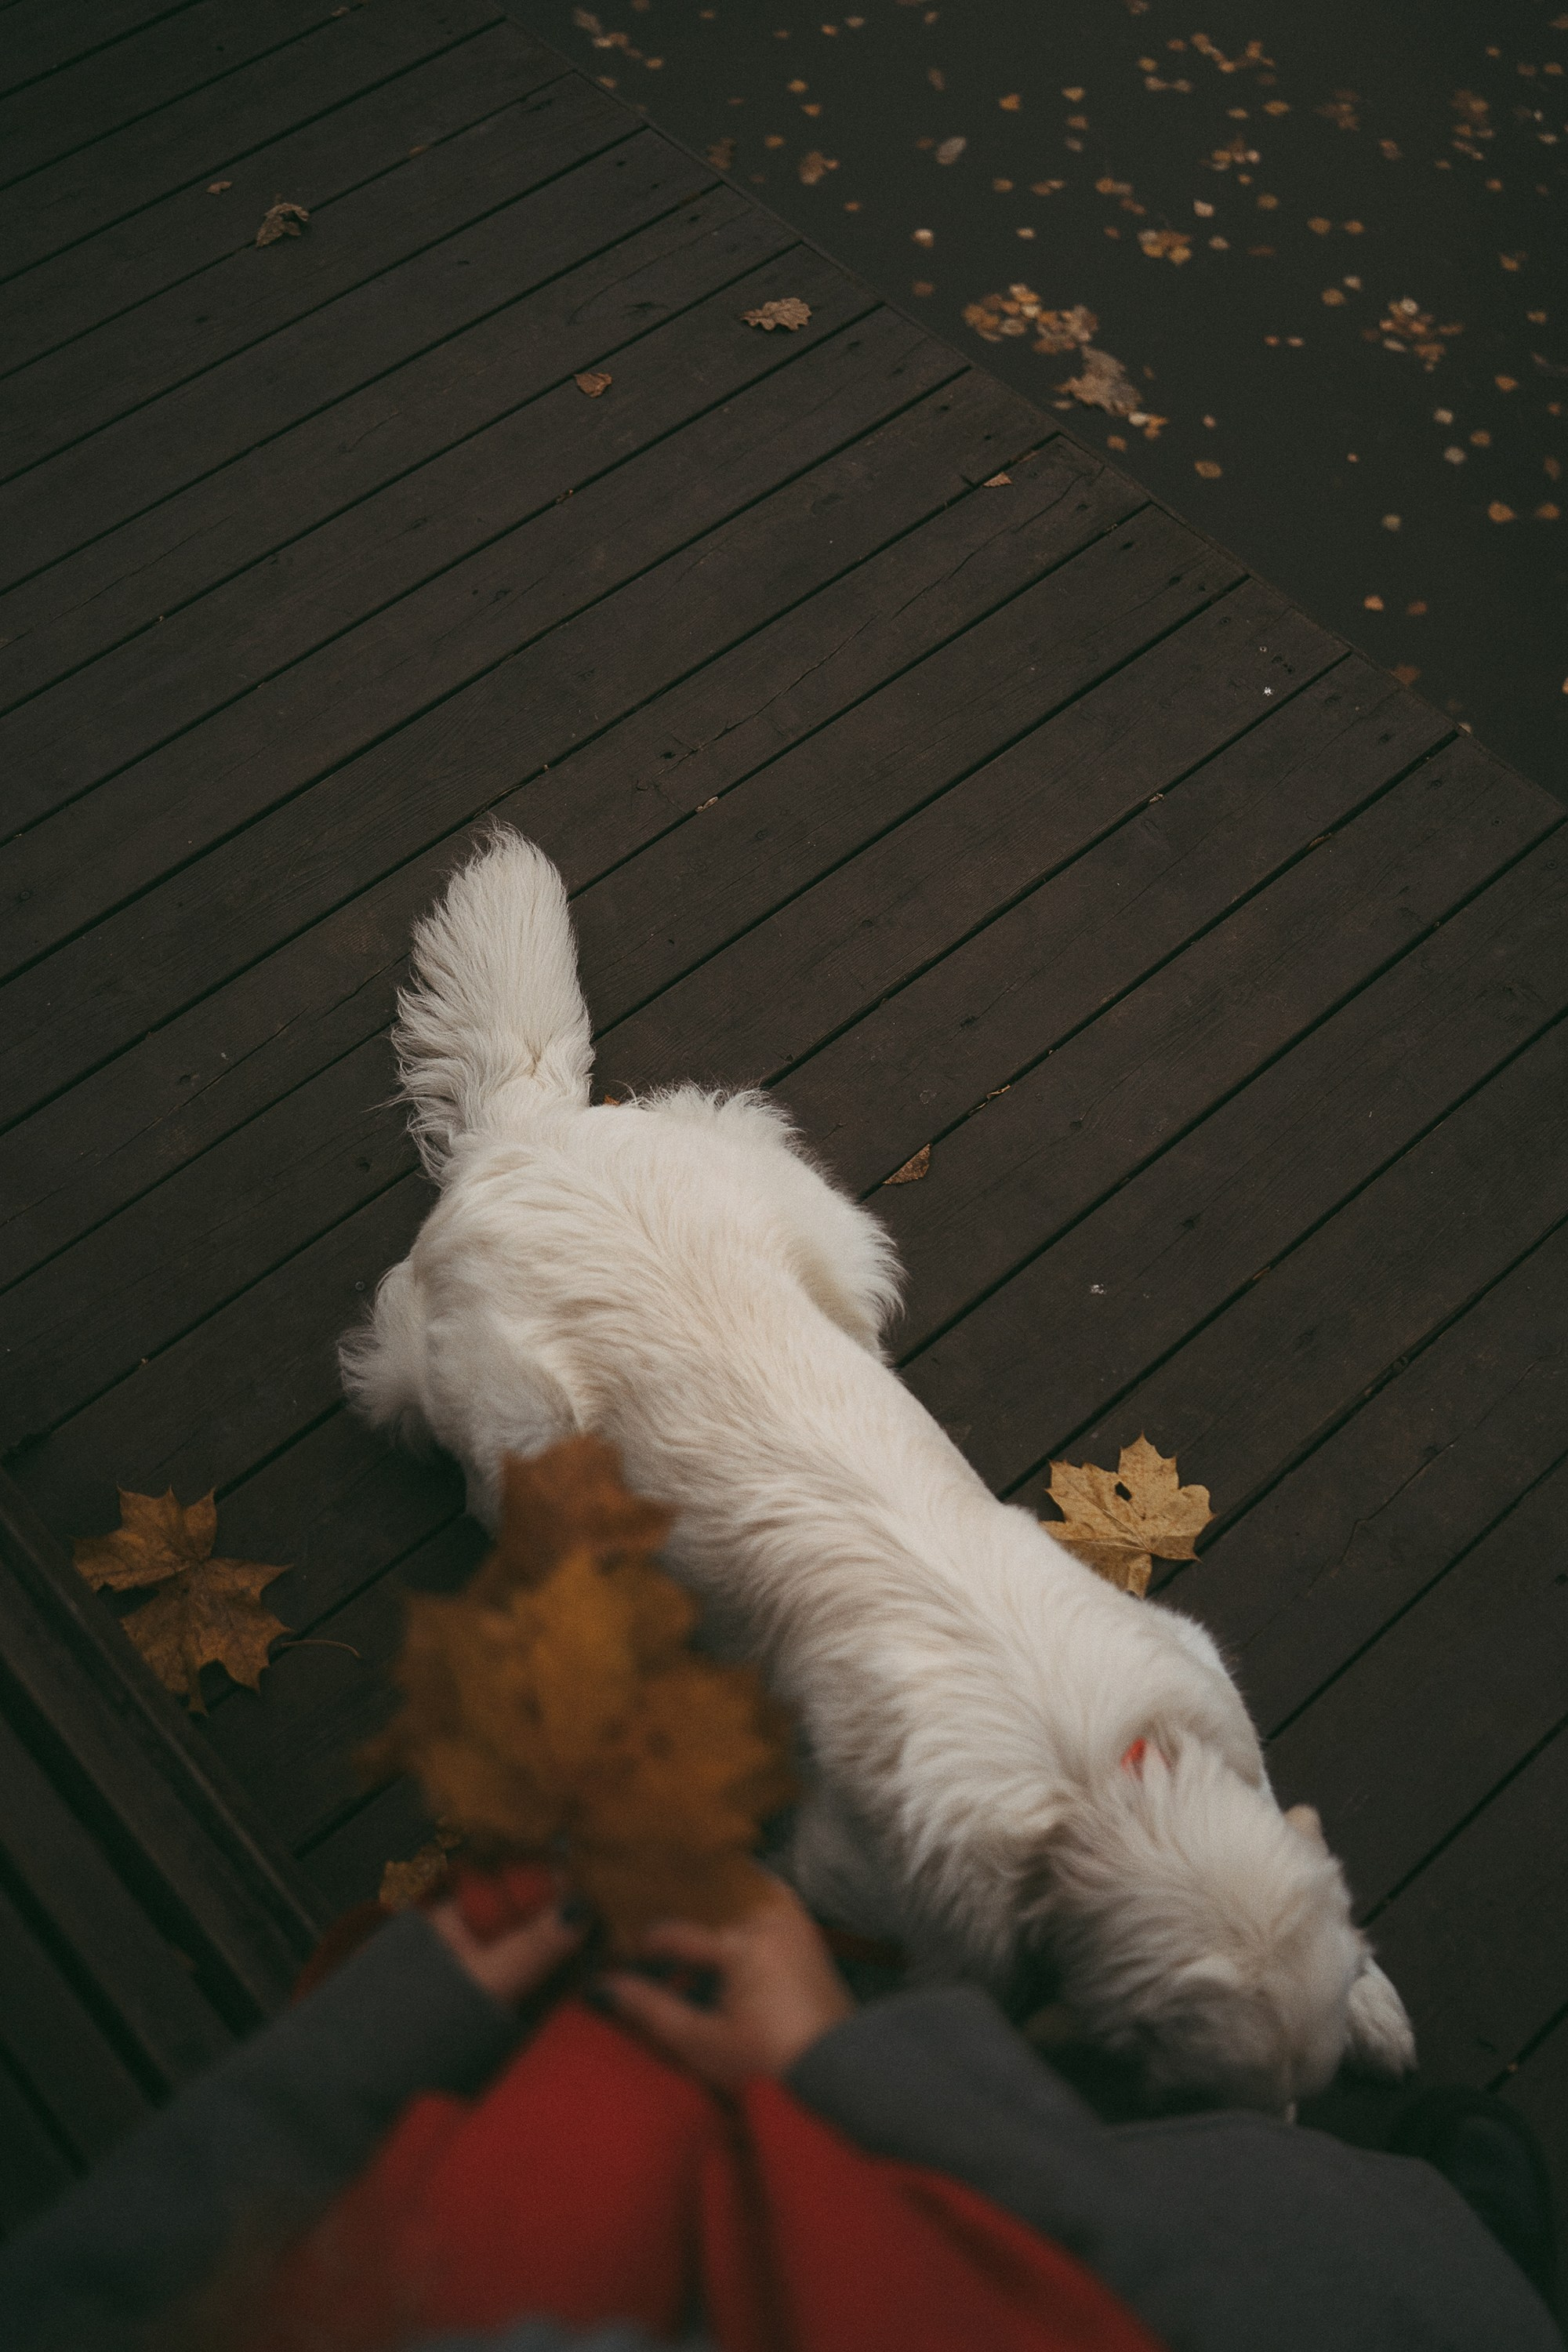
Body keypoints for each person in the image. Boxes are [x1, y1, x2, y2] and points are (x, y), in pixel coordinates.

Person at [0, 1877, 1558, 2352]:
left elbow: (96, 2285)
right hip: (1264, 2280)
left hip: (647, 2151)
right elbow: (1075, 2272)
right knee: (1401, 2211)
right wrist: (847, 2069)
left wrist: (379, 2031)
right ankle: (1481, 2218)